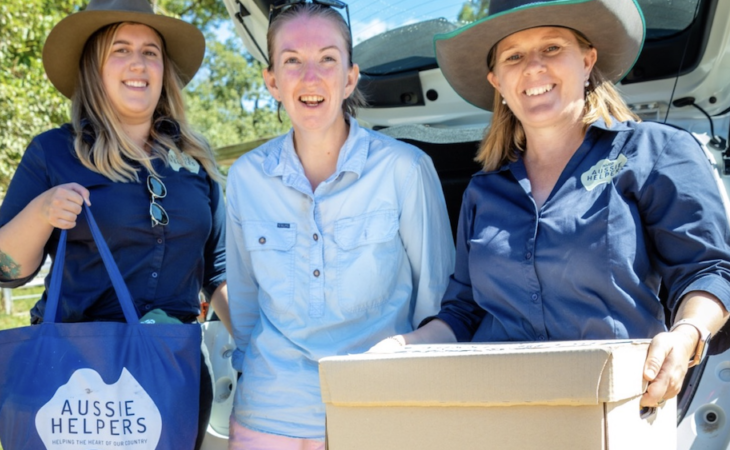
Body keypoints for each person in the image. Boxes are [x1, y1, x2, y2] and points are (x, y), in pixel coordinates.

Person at [378, 0, 730, 409]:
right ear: (497, 81)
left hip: (618, 407)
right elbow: (464, 312)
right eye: (514, 56)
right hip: (501, 413)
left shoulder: (656, 150)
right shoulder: (483, 191)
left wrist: (687, 332)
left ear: (587, 59)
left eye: (551, 48)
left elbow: (708, 270)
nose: (533, 68)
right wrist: (401, 345)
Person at [0, 0, 228, 447]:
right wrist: (41, 213)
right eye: (120, 49)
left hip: (173, 373)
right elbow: (7, 270)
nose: (138, 63)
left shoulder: (195, 163)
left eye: (150, 51)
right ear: (94, 69)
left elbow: (219, 273)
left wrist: (257, 347)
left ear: (164, 70)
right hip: (75, 377)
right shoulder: (53, 152)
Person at [225, 1, 454, 448]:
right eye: (292, 61)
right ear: (271, 81)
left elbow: (438, 305)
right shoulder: (246, 177)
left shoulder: (405, 169)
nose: (311, 77)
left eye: (328, 58)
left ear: (350, 77)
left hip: (380, 410)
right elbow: (247, 309)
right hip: (268, 413)